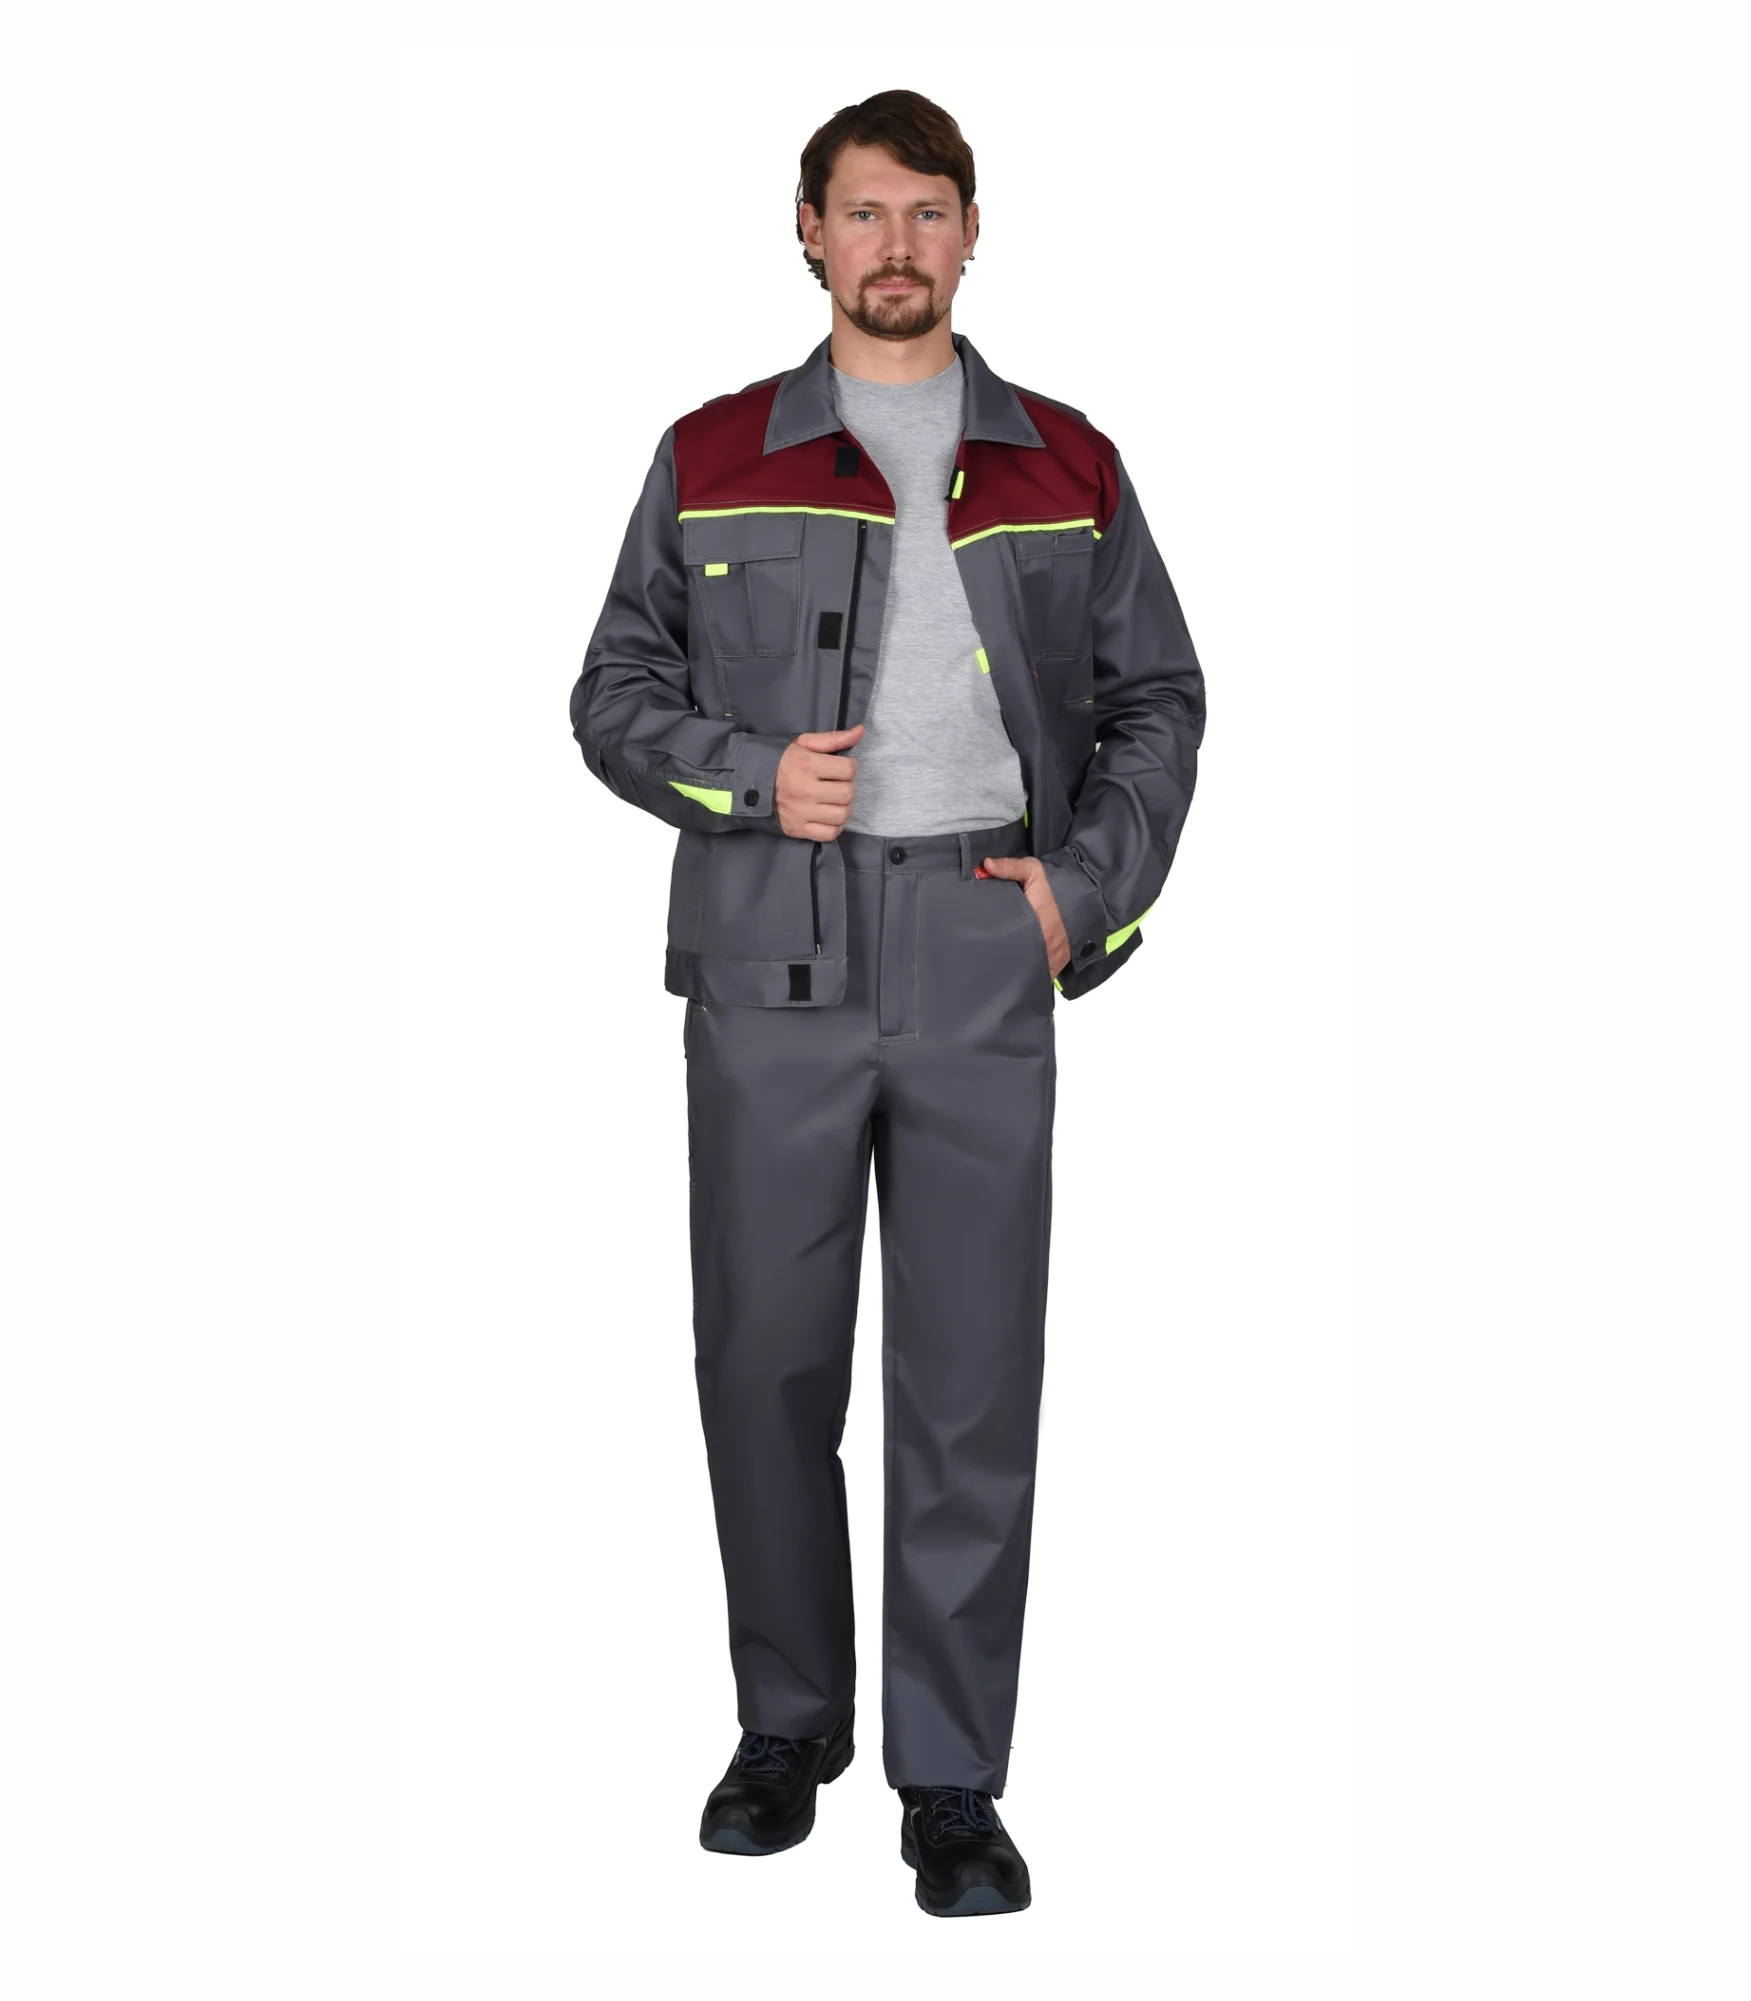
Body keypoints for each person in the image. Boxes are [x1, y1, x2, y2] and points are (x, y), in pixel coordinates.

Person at [569, 88, 1206, 1918]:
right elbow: (612, 692)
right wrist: (748, 773)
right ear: (808, 231)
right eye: (862, 212)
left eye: (927, 211)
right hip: (769, 953)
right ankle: (786, 1728)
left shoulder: (1067, 459)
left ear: (971, 232)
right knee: (764, 1365)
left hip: (982, 941)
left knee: (969, 1378)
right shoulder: (710, 451)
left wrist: (1078, 894)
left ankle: (951, 1778)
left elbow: (1159, 698)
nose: (895, 244)